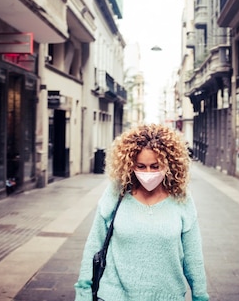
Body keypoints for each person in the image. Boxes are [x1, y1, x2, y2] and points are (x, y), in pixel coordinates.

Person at [74, 124, 209, 301]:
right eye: (141, 166)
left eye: (155, 166)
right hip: (114, 295)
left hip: (168, 296)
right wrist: (83, 292)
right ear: (130, 165)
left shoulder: (182, 199)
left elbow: (193, 256)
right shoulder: (116, 193)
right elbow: (94, 245)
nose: (148, 173)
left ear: (169, 164)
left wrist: (200, 295)